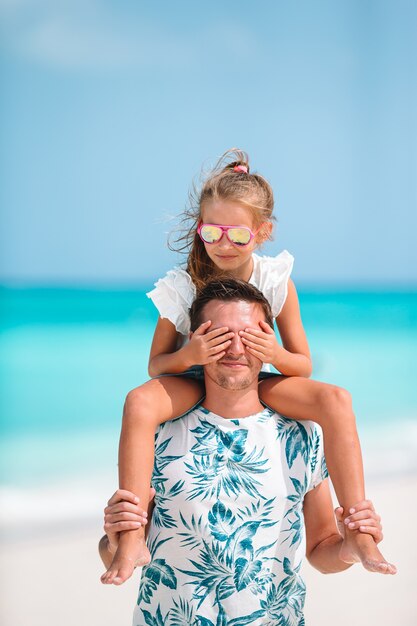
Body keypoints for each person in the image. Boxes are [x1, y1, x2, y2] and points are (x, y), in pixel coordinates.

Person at [101, 148, 394, 586]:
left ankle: (358, 529)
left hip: (257, 376)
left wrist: (272, 354)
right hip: (194, 379)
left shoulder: (275, 281)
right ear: (199, 229)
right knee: (139, 403)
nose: (222, 244)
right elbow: (156, 365)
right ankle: (128, 537)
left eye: (237, 234)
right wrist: (191, 357)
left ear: (262, 231)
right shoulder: (182, 287)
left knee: (336, 399)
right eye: (211, 232)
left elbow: (303, 364)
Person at [99, 279, 395, 626]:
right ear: (196, 340)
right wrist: (115, 540)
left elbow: (320, 550)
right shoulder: (157, 432)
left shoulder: (304, 437)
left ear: (268, 341)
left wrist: (346, 549)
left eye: (250, 336)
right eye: (220, 336)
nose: (236, 350)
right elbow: (116, 555)